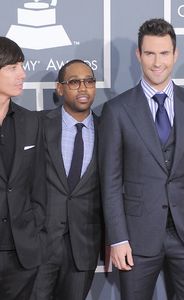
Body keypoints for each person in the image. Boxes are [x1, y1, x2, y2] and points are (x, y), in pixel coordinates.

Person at [98, 18, 184, 300]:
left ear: (175, 55)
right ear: (138, 55)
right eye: (149, 53)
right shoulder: (116, 111)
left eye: (164, 53)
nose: (156, 62)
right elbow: (110, 181)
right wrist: (118, 237)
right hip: (137, 237)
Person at [31, 59, 103, 300]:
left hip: (83, 247)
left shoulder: (109, 130)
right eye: (74, 82)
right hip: (39, 245)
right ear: (60, 88)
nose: (83, 88)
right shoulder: (36, 125)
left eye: (89, 81)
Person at [0, 36, 46, 299]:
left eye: (22, 65)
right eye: (13, 67)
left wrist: (34, 229)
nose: (23, 73)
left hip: (22, 255)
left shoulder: (31, 122)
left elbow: (38, 185)